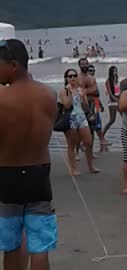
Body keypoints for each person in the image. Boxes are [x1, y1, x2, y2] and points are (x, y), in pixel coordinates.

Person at [0, 39, 57, 270]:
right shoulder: (49, 94)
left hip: (8, 174)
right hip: (39, 173)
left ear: (13, 65)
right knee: (40, 244)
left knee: (12, 243)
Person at [59, 68, 100, 176]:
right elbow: (67, 104)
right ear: (66, 78)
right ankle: (73, 168)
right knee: (71, 144)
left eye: (74, 76)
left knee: (88, 142)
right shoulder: (64, 90)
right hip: (70, 118)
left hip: (81, 116)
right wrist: (71, 93)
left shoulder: (80, 90)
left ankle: (91, 166)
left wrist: (82, 97)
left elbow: (86, 107)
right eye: (70, 76)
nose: (73, 78)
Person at [102, 66, 121, 141]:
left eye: (116, 71)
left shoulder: (117, 80)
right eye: (113, 71)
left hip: (118, 100)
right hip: (113, 102)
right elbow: (110, 94)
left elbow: (119, 91)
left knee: (125, 117)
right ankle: (102, 135)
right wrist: (117, 100)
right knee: (112, 120)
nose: (115, 73)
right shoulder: (108, 81)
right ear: (110, 72)